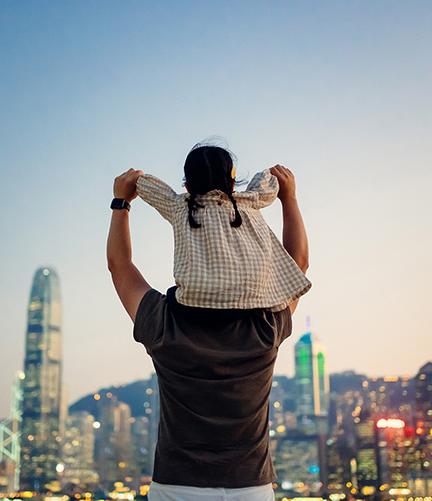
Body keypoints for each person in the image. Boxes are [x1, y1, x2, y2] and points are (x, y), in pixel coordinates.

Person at [107, 153, 309, 501]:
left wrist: (120, 203)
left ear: (186, 187)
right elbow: (297, 265)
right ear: (233, 185)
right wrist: (289, 199)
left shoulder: (164, 322)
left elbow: (119, 265)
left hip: (175, 487)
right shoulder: (264, 327)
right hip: (251, 489)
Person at [135, 144, 311, 310]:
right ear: (233, 184)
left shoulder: (179, 206)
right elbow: (267, 187)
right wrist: (287, 194)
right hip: (255, 304)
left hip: (191, 306)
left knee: (176, 294)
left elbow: (151, 188)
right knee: (294, 270)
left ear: (188, 187)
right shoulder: (249, 201)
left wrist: (136, 180)